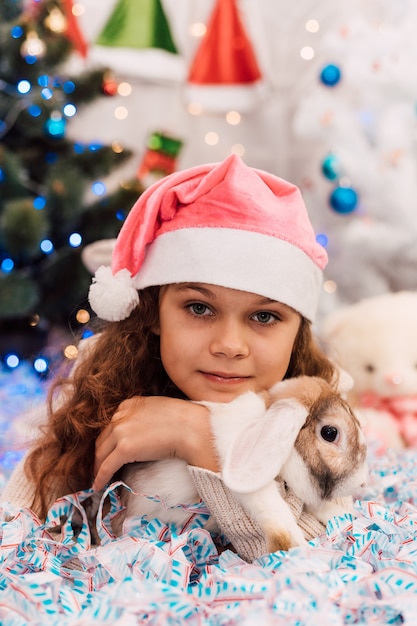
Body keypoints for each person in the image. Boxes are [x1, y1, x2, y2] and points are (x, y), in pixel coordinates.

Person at [2, 154, 338, 562]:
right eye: (199, 308)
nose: (230, 345)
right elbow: (18, 524)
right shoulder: (102, 385)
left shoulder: (318, 420)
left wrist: (201, 438)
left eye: (264, 316)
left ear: (297, 331)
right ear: (154, 312)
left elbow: (306, 563)